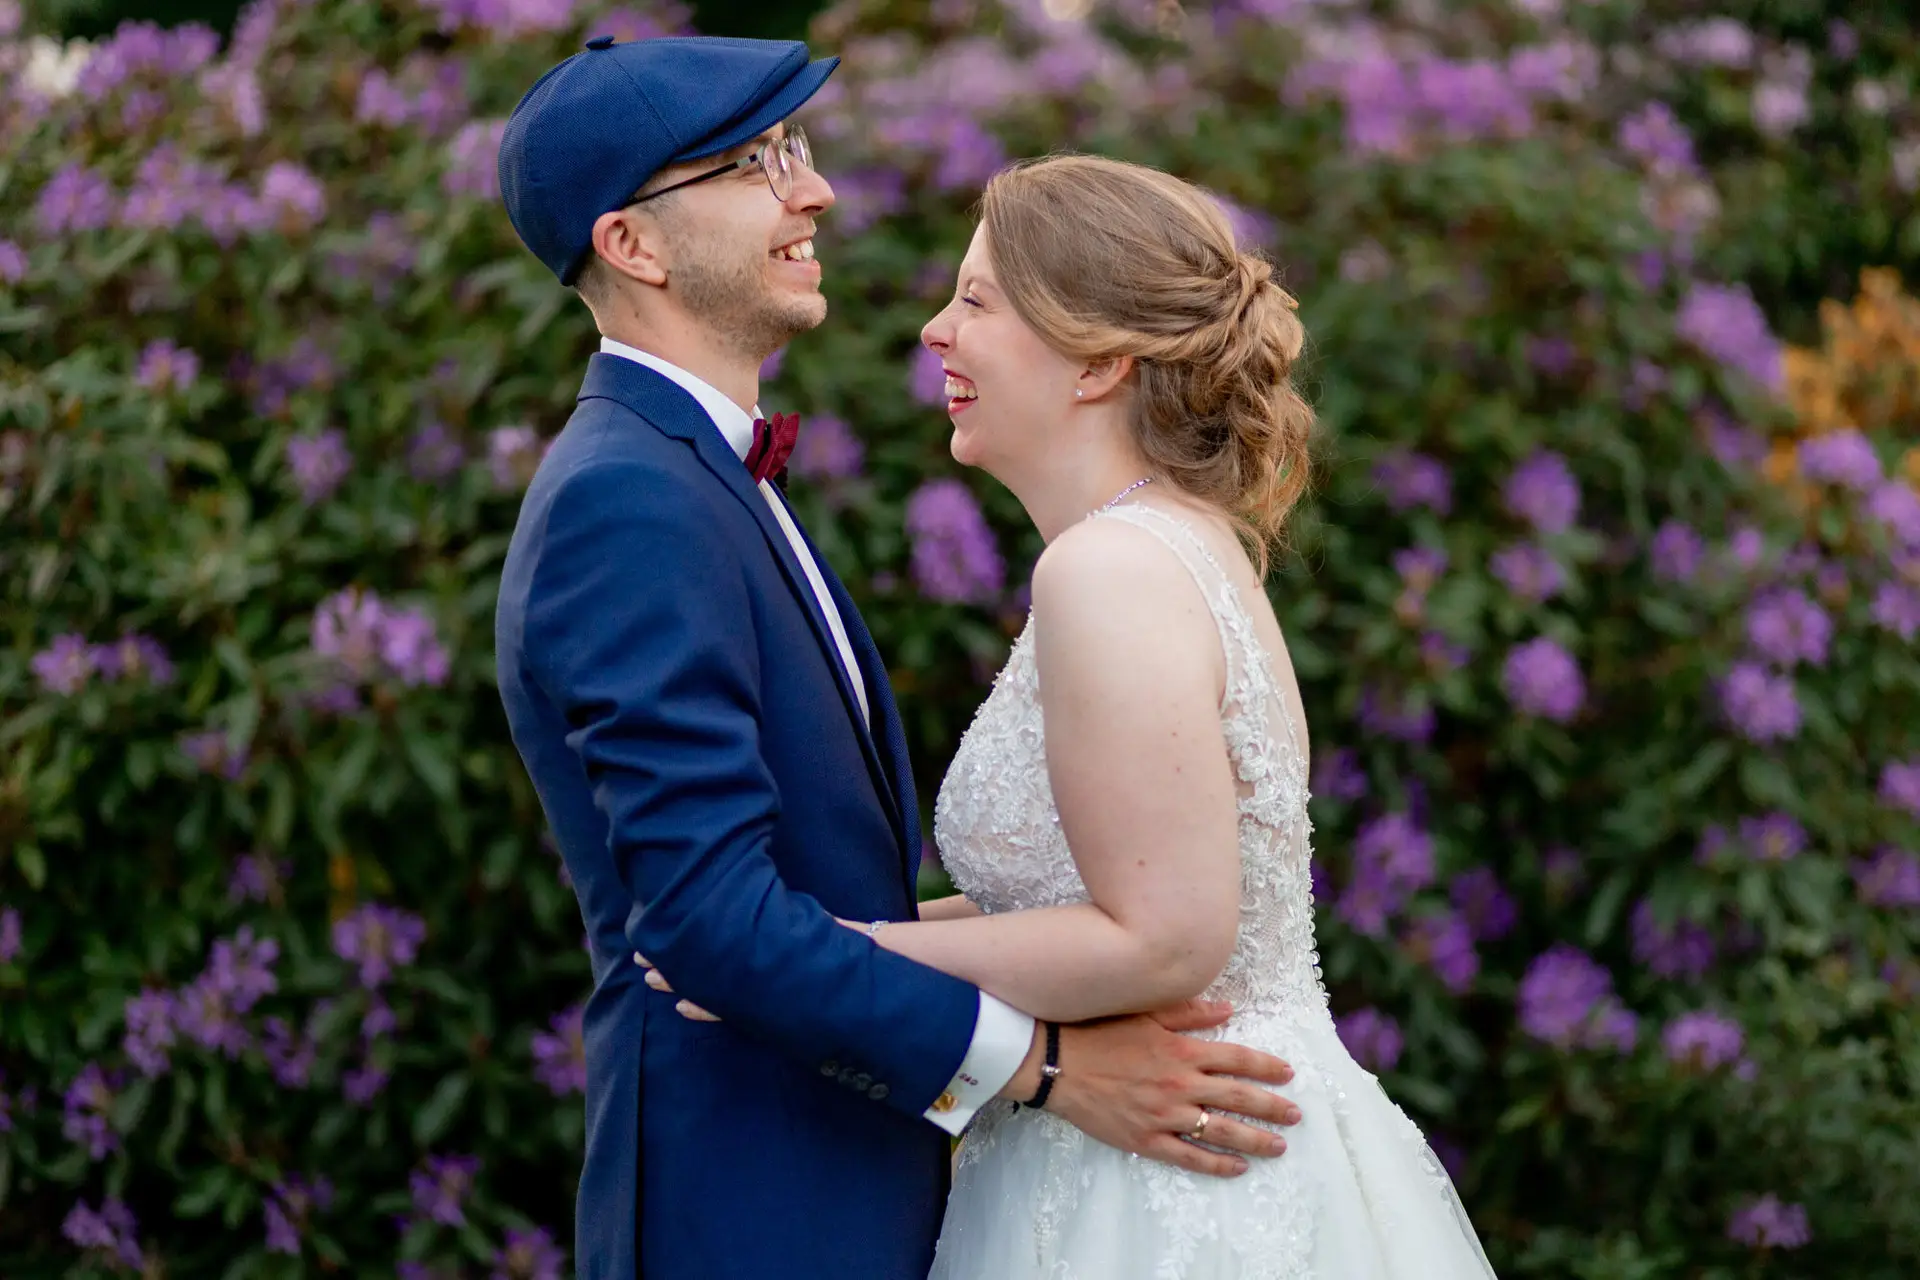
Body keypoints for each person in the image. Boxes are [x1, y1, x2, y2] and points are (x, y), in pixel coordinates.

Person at [489, 35, 1303, 1280]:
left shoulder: (711, 480)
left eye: (799, 152)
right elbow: (713, 920)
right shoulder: (630, 501)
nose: (813, 190)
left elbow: (816, 903)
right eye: (756, 162)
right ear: (633, 246)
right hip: (755, 1206)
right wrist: (1048, 1068)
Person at [666, 153, 1501, 1276]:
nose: (933, 332)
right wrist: (775, 949)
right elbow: (1093, 896)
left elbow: (1164, 935)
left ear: (1101, 358)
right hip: (1163, 1135)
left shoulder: (1110, 569)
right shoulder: (1166, 544)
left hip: (1175, 1176)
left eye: (976, 300)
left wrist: (827, 957)